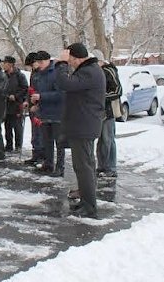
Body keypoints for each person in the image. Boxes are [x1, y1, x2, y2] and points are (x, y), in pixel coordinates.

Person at [55, 43, 106, 218]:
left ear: (77, 58)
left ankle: (90, 206)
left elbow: (65, 83)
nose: (70, 64)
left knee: (83, 166)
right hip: (83, 124)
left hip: (84, 125)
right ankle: (86, 201)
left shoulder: (89, 71)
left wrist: (60, 64)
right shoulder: (90, 69)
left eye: (70, 61)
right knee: (86, 166)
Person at [31, 50, 65, 177]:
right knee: (47, 141)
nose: (39, 65)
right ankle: (48, 163)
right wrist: (36, 104)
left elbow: (60, 94)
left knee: (59, 142)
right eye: (37, 62)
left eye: (41, 62)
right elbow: (38, 91)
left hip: (57, 113)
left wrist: (41, 96)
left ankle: (60, 166)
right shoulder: (39, 74)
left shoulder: (56, 72)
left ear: (47, 60)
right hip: (44, 112)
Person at [93, 49, 122, 178]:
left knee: (108, 139)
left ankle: (110, 167)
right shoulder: (97, 72)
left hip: (108, 111)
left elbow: (118, 90)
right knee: (101, 140)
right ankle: (102, 166)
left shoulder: (109, 71)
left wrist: (101, 96)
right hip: (99, 111)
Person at [22, 52, 45, 165]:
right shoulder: (34, 73)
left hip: (39, 107)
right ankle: (35, 154)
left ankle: (41, 155)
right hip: (32, 105)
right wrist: (27, 100)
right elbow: (30, 89)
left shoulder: (42, 74)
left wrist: (38, 104)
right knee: (35, 133)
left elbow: (42, 91)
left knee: (40, 133)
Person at [2, 56, 28, 153]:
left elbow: (25, 88)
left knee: (17, 127)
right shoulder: (4, 75)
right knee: (7, 126)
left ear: (10, 65)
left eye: (5, 63)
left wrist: (16, 96)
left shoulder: (19, 75)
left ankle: (18, 146)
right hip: (6, 104)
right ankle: (9, 145)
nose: (3, 65)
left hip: (17, 104)